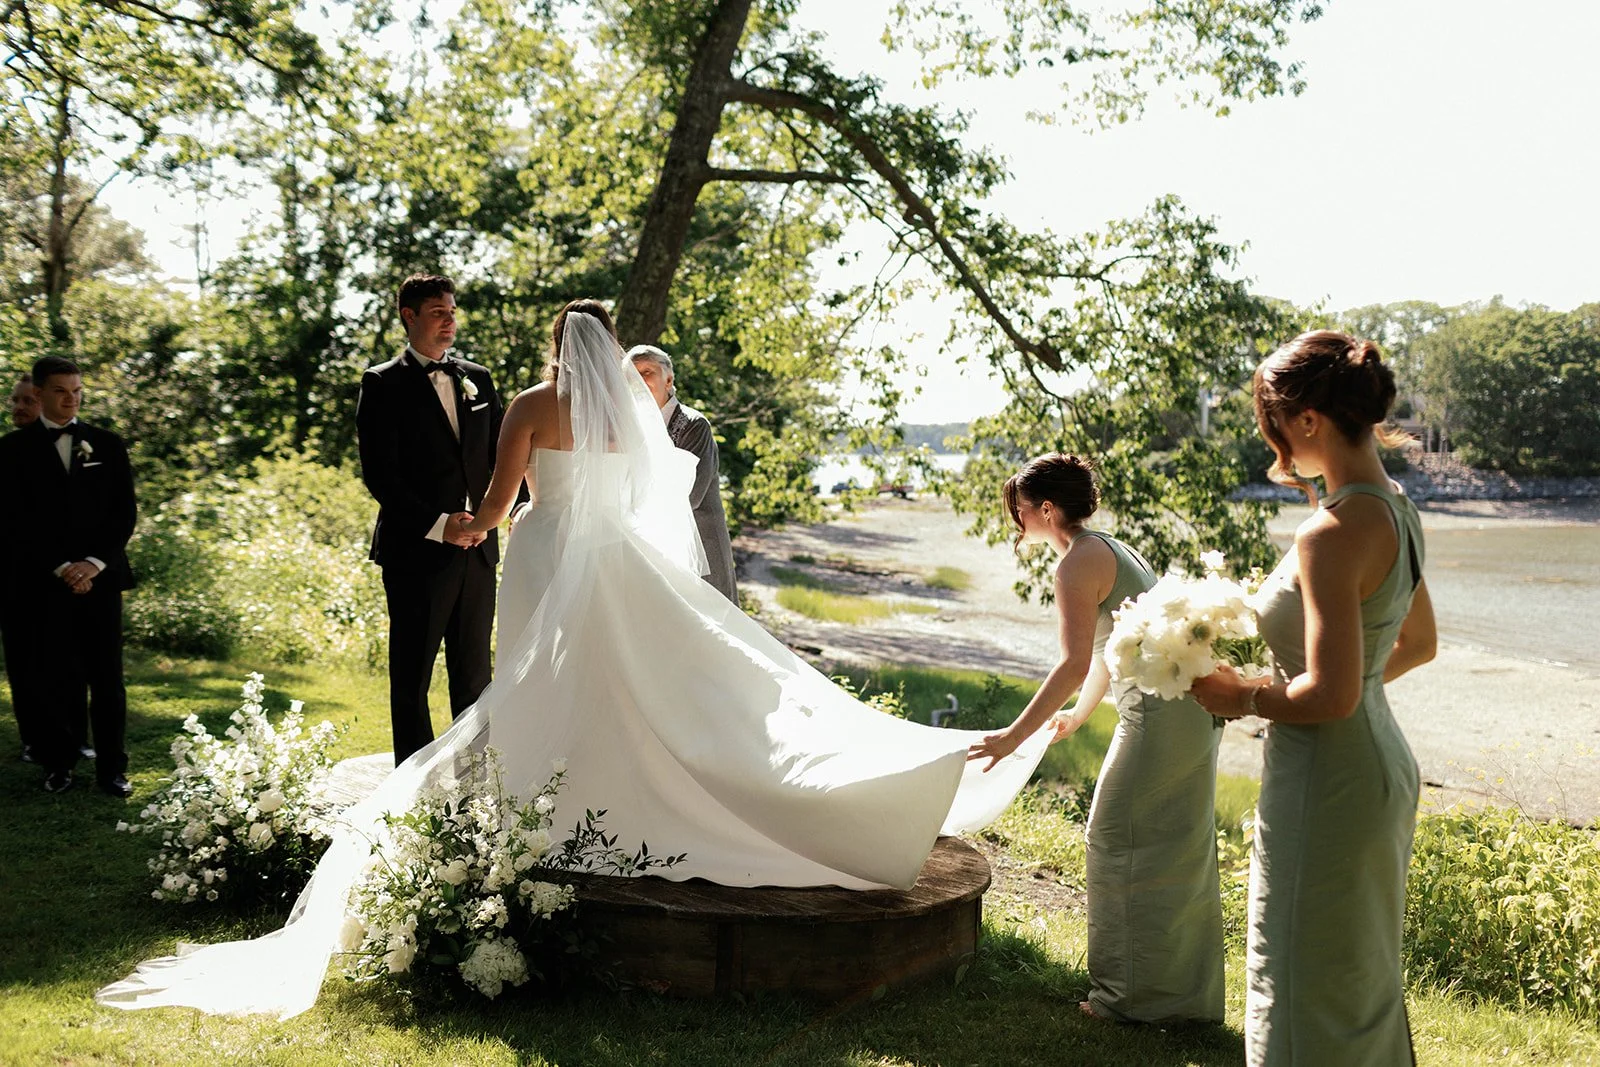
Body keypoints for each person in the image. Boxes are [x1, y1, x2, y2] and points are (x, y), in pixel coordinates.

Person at [96, 299, 1049, 1018]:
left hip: (550, 556)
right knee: (626, 684)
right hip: (625, 567)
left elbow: (505, 500)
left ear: (558, 347)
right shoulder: (634, 416)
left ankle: (547, 795)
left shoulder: (531, 403)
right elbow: (653, 509)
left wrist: (466, 527)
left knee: (536, 679)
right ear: (607, 349)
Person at [1191, 330, 1436, 1066]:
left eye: (1274, 430)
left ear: (1307, 421)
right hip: (1380, 764)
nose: (1277, 452)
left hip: (1328, 778)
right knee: (1355, 978)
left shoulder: (1328, 533)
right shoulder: (1396, 507)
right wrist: (1340, 687)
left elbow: (1328, 697)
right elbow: (1416, 644)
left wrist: (1245, 696)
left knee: (1297, 975)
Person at [968, 453, 1224, 1024]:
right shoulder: (1104, 547)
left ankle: (1126, 1000)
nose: (1017, 523)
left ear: (1047, 508)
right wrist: (1081, 716)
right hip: (1179, 716)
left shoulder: (1076, 564)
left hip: (1162, 721)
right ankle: (1173, 1000)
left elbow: (1072, 663)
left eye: (1020, 511)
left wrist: (1012, 736)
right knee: (1169, 850)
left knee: (1114, 840)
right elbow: (1113, 653)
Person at [356, 274, 508, 765]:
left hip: (479, 549)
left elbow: (502, 457)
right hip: (416, 549)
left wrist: (498, 515)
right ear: (410, 316)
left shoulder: (477, 378)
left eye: (452, 311)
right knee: (413, 674)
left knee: (474, 673)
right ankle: (412, 787)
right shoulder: (382, 383)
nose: (450, 321)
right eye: (439, 311)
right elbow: (381, 475)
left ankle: (475, 779)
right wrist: (444, 525)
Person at [0, 357, 137, 796]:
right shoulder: (11, 451)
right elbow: (15, 523)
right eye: (62, 391)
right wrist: (62, 567)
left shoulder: (108, 445)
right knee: (55, 675)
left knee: (107, 679)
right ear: (39, 394)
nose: (71, 399)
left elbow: (124, 515)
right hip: (44, 581)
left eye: (77, 391)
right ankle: (58, 764)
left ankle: (113, 769)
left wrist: (93, 564)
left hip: (101, 578)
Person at [626, 344, 738, 603]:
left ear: (669, 380)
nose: (639, 380)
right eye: (632, 375)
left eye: (647, 372)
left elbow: (691, 496)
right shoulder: (631, 429)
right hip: (653, 549)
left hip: (701, 545)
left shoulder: (693, 425)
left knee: (715, 626)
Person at [3, 372, 43, 761]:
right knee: (23, 658)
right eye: (15, 400)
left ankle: (74, 735)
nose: (17, 407)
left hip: (63, 573)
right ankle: (33, 737)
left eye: (26, 401)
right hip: (15, 573)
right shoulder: (6, 450)